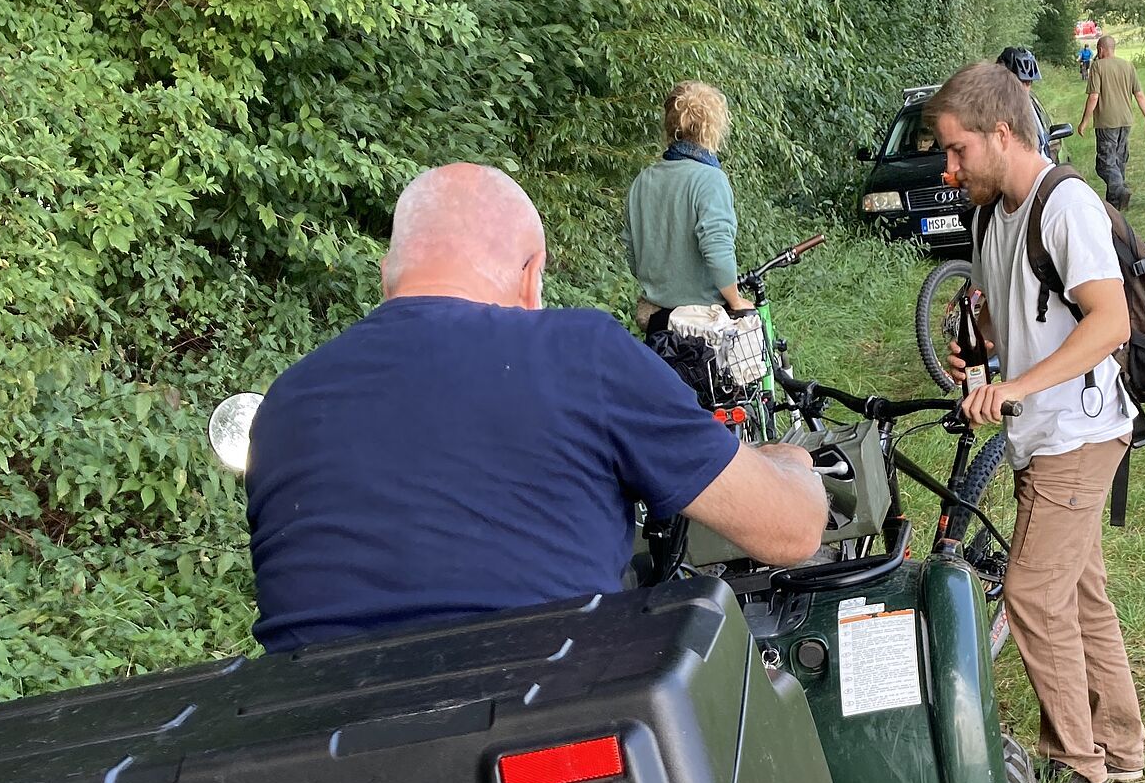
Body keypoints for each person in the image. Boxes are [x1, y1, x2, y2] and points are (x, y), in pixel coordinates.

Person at [247, 164, 827, 651]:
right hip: (547, 741)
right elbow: (790, 533)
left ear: (388, 276)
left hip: (325, 759)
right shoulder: (580, 353)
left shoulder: (284, 404)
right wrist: (794, 467)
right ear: (531, 275)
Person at [926, 62, 1144, 783]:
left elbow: (1110, 321)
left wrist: (1016, 386)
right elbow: (1007, 307)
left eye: (957, 151)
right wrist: (978, 345)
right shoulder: (992, 213)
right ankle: (1119, 743)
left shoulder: (1066, 206)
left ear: (1003, 133)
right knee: (1080, 595)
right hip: (1039, 432)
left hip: (1079, 436)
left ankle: (1076, 765)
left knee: (1030, 592)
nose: (950, 169)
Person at [626, 82, 750, 335]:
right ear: (713, 128)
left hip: (656, 318)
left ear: (670, 126)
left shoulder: (643, 180)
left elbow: (632, 252)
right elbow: (717, 248)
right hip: (701, 322)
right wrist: (736, 301)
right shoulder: (710, 180)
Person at [1077, 35, 1145, 205]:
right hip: (1126, 121)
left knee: (1104, 163)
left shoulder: (1098, 66)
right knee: (1118, 160)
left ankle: (1119, 189)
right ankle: (1115, 202)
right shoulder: (1128, 66)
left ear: (1100, 50)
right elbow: (1139, 95)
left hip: (1106, 122)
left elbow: (1093, 96)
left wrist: (1084, 121)